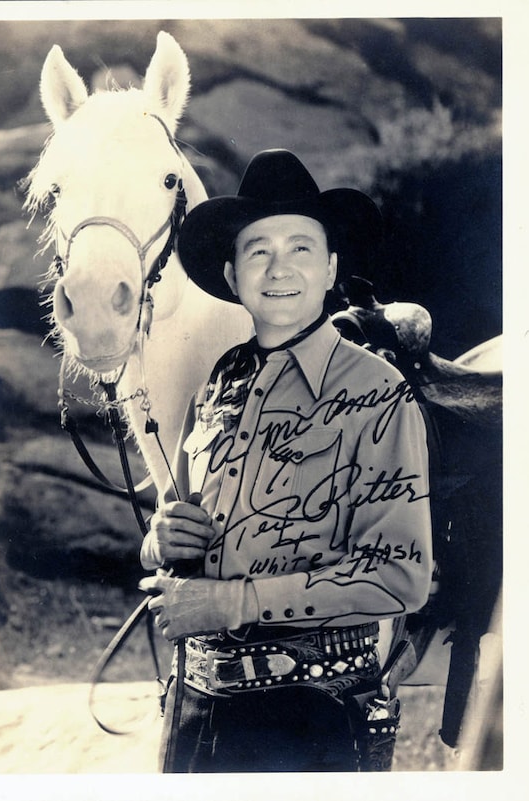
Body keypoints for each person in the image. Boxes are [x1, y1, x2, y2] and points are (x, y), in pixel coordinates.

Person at [139, 149, 432, 772]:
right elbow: (183, 530)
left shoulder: (377, 393)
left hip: (312, 715)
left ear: (330, 269)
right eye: (258, 250)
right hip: (193, 711)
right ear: (232, 274)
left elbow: (399, 577)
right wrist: (160, 539)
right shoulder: (218, 382)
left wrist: (235, 604)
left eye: (301, 248)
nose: (279, 268)